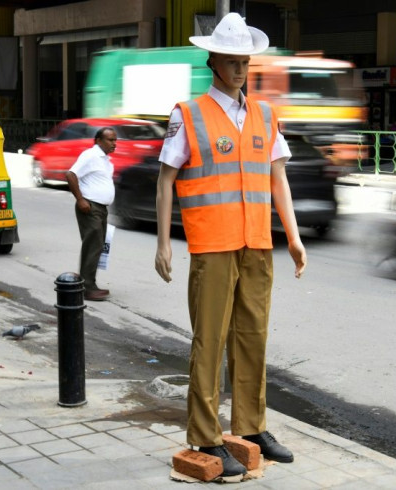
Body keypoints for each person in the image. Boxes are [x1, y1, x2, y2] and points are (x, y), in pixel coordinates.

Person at [154, 13, 307, 477]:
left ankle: (252, 425)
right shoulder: (189, 114)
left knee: (253, 336)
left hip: (257, 242)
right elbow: (166, 180)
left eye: (246, 61)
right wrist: (163, 242)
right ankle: (205, 433)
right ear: (213, 62)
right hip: (212, 244)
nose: (242, 69)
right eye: (233, 61)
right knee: (210, 341)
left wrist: (294, 237)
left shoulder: (264, 114)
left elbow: (278, 179)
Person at [66, 127, 117, 301]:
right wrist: (80, 200)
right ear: (98, 140)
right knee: (93, 245)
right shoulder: (90, 155)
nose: (114, 143)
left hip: (100, 208)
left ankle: (88, 282)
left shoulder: (105, 160)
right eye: (110, 140)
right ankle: (87, 287)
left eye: (115, 140)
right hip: (90, 207)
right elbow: (71, 175)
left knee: (97, 246)